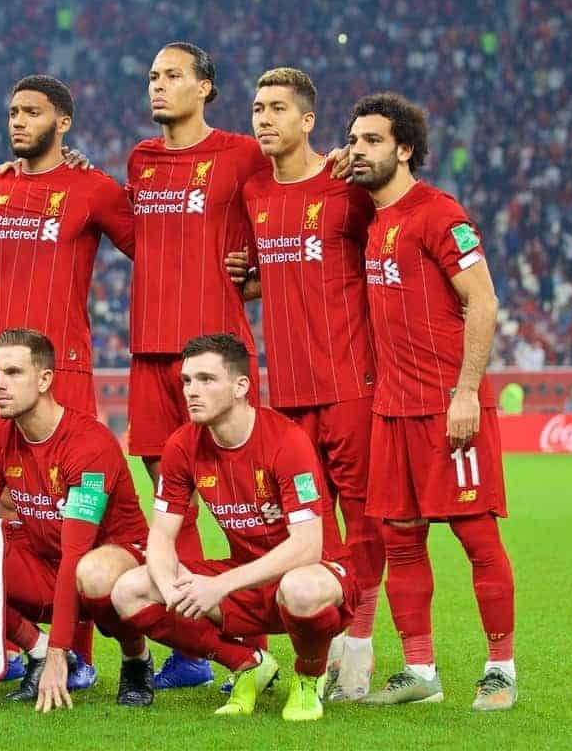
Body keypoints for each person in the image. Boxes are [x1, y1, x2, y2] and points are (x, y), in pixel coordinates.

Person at [348, 93, 515, 711]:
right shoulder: (371, 220)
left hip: (451, 408)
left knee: (476, 538)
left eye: (372, 141)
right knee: (400, 541)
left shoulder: (439, 213)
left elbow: (485, 302)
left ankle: (502, 667)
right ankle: (421, 672)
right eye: (354, 140)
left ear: (405, 148)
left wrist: (467, 391)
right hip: (391, 412)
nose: (359, 150)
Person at [229, 67, 386, 701]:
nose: (263, 119)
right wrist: (247, 276)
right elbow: (272, 272)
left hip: (350, 383)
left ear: (308, 121)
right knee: (303, 522)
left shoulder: (348, 186)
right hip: (286, 391)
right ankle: (312, 645)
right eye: (257, 108)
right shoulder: (255, 193)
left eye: (276, 109)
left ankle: (361, 644)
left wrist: (367, 157)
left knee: (364, 521)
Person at [112, 333, 358, 722]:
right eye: (188, 381)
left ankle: (310, 676)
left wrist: (220, 585)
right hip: (246, 580)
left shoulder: (287, 441)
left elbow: (308, 547)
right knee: (130, 590)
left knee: (301, 588)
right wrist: (168, 583)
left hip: (316, 574)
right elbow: (160, 535)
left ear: (241, 386)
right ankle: (248, 663)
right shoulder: (181, 445)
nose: (192, 391)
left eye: (207, 380)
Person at [122, 42, 267, 689]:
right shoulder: (140, 159)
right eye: (152, 76)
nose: (158, 86)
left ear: (205, 87)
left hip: (214, 352)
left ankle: (253, 638)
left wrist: (258, 274)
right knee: (170, 506)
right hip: (150, 352)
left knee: (240, 499)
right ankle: (192, 649)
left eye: (172, 76)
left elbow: (287, 217)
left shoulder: (243, 153)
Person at [0, 329, 154, 711]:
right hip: (48, 562)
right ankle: (33, 652)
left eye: (13, 373)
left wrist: (60, 650)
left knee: (94, 573)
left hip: (109, 562)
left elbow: (76, 550)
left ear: (45, 379)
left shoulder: (88, 444)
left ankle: (136, 659)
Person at [0, 74, 135, 440]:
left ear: (63, 123)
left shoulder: (94, 188)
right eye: (14, 112)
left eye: (32, 113)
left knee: (74, 482)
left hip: (62, 364)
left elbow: (148, 249)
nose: (18, 121)